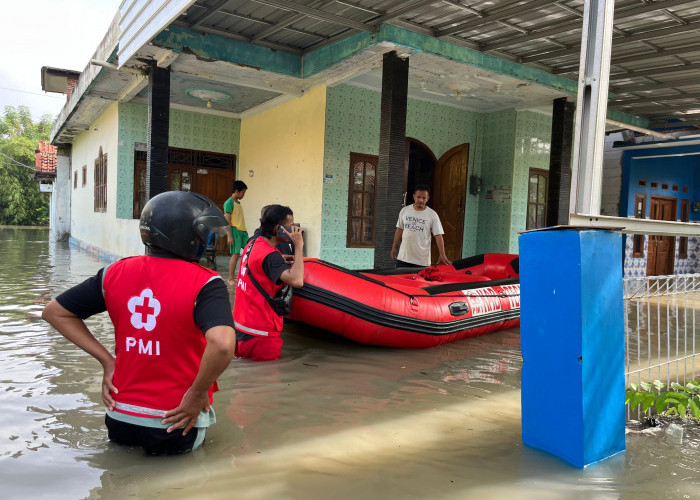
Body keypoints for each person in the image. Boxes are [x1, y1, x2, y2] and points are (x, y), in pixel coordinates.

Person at [41, 191, 236, 455]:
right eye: (202, 232)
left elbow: (55, 313)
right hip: (175, 420)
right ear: (187, 236)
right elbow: (223, 345)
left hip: (119, 416)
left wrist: (107, 361)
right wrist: (197, 393)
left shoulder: (114, 272)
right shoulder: (206, 283)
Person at [233, 204, 304, 361]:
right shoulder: (271, 256)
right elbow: (297, 280)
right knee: (267, 379)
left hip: (241, 328)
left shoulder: (253, 243)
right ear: (277, 228)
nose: (294, 229)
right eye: (290, 225)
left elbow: (258, 266)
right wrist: (299, 247)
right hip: (261, 333)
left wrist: (280, 260)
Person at [390, 184, 452, 268]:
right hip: (403, 257)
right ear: (414, 196)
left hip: (421, 261)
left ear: (428, 198)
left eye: (423, 198)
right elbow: (399, 230)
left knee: (419, 281)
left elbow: (438, 235)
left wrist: (442, 254)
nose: (420, 200)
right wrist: (394, 247)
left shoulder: (432, 215)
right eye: (418, 197)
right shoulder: (405, 211)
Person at [224, 180, 248, 286]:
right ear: (237, 191)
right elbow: (227, 220)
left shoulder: (238, 203)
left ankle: (246, 275)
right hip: (235, 231)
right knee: (236, 254)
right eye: (243, 193)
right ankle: (230, 278)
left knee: (249, 251)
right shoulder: (229, 203)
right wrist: (229, 235)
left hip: (243, 231)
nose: (243, 195)